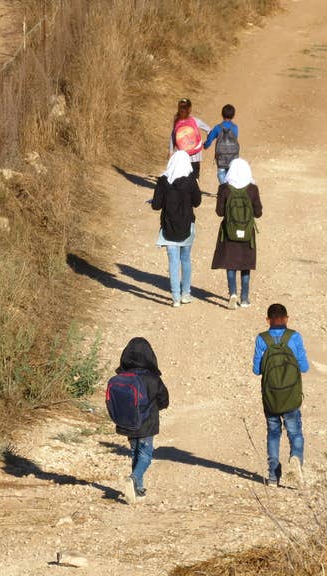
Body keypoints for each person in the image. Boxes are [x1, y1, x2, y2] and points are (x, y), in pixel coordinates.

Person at [252, 303, 310, 487]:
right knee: (295, 432)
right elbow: (304, 367)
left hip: (271, 397)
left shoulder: (262, 339)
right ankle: (296, 459)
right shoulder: (294, 336)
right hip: (291, 395)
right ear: (287, 319)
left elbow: (256, 370)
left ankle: (272, 475)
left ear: (267, 320)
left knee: (273, 433)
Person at [113, 337, 169, 502]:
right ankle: (133, 478)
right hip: (147, 423)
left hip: (128, 423)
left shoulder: (123, 376)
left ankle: (138, 489)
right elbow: (164, 399)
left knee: (135, 453)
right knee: (145, 455)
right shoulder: (152, 378)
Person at [152, 150, 202, 307]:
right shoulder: (191, 180)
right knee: (185, 259)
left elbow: (156, 205)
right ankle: (186, 293)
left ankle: (175, 298)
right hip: (187, 226)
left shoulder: (163, 180)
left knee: (173, 261)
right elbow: (197, 202)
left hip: (168, 226)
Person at [211, 158, 262, 309]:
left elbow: (220, 212)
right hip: (247, 233)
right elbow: (258, 213)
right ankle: (245, 298)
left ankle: (232, 293)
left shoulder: (224, 188)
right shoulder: (253, 189)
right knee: (245, 264)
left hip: (229, 231)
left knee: (230, 263)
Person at [169, 98, 210, 182]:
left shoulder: (177, 122)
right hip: (196, 154)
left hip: (183, 155)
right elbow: (209, 129)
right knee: (195, 176)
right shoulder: (195, 120)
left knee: (184, 175)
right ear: (190, 109)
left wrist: (170, 151)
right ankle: (195, 186)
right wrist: (207, 142)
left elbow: (173, 137)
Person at [203, 104, 239, 185]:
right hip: (233, 156)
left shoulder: (217, 128)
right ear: (233, 116)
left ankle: (224, 188)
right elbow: (235, 138)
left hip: (221, 156)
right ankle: (230, 188)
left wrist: (205, 145)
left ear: (222, 115)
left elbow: (209, 140)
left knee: (221, 172)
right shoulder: (235, 127)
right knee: (231, 172)